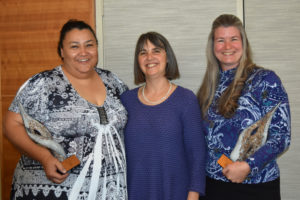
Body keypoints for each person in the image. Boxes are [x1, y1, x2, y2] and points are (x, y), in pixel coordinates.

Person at [4, 19, 128, 200]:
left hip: (108, 190)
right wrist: (45, 158)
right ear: (62, 51)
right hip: (54, 190)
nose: (83, 52)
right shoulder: (43, 84)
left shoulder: (113, 81)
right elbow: (10, 125)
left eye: (89, 45)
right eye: (74, 46)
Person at [197, 14, 291, 200]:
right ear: (213, 46)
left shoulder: (265, 80)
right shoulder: (208, 87)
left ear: (244, 43)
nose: (227, 46)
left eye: (234, 39)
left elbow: (282, 136)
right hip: (213, 186)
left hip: (256, 187)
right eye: (220, 40)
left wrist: (249, 165)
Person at [121, 31, 206, 200]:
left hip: (175, 192)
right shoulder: (125, 101)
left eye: (156, 51)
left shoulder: (186, 100)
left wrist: (194, 194)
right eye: (143, 52)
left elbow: (197, 154)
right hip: (135, 192)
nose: (149, 57)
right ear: (138, 61)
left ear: (168, 57)